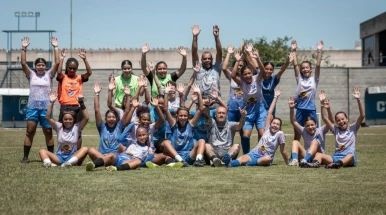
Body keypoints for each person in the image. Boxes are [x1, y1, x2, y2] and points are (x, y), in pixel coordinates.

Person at [224, 87, 289, 167]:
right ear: (270, 124)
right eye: (274, 123)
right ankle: (230, 163)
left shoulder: (280, 134)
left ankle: (252, 163)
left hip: (265, 158)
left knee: (268, 158)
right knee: (242, 158)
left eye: (277, 124)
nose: (275, 125)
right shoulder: (267, 129)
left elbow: (283, 150)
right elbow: (269, 113)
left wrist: (288, 163)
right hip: (254, 153)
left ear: (280, 127)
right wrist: (275, 97)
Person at [21, 36, 59, 163]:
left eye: (43, 65)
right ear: (35, 66)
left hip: (46, 107)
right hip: (32, 106)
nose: (41, 67)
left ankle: (52, 157)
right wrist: (24, 48)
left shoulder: (49, 75)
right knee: (30, 131)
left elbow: (57, 63)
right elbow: (23, 63)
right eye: (39, 65)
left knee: (48, 131)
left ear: (45, 66)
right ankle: (26, 157)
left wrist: (55, 47)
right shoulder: (31, 74)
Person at [306, 87, 365, 168]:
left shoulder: (353, 128)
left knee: (350, 155)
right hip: (336, 157)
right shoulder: (335, 130)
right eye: (338, 120)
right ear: (336, 122)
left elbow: (362, 116)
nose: (341, 121)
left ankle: (337, 164)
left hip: (348, 158)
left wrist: (358, 100)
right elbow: (324, 117)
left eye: (342, 119)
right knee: (318, 154)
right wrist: (322, 103)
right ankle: (314, 164)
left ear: (347, 119)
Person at [39, 90, 89, 167]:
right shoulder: (59, 127)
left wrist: (81, 103)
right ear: (62, 120)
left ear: (73, 120)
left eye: (70, 119)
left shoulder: (76, 127)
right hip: (59, 157)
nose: (67, 121)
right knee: (42, 151)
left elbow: (86, 118)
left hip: (72, 157)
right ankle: (48, 164)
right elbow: (48, 117)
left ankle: (68, 163)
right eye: (65, 119)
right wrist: (51, 103)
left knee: (85, 149)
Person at [162, 83, 206, 167]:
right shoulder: (173, 124)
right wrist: (166, 93)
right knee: (166, 142)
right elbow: (165, 109)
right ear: (177, 116)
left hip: (189, 156)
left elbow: (200, 109)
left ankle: (198, 161)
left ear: (188, 116)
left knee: (202, 141)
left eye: (185, 116)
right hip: (176, 156)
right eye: (181, 115)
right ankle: (181, 161)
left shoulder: (191, 124)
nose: (183, 117)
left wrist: (199, 94)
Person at [56, 48, 92, 150]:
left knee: (78, 132)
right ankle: (63, 152)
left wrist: (85, 59)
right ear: (67, 67)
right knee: (63, 131)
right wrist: (62, 58)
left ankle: (77, 154)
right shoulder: (63, 77)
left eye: (74, 69)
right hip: (65, 107)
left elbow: (89, 72)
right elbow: (58, 72)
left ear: (76, 68)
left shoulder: (79, 78)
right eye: (70, 68)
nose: (72, 70)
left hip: (77, 107)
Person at [231, 49, 265, 154]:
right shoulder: (241, 82)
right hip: (248, 113)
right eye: (245, 74)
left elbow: (262, 71)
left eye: (249, 73)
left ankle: (261, 153)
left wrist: (257, 58)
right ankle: (246, 155)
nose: (247, 76)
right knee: (245, 136)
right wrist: (237, 61)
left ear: (251, 73)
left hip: (260, 111)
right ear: (242, 75)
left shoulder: (257, 79)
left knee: (262, 134)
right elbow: (232, 76)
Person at [86, 82, 132, 162]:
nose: (111, 119)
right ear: (106, 119)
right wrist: (96, 94)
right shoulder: (102, 127)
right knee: (91, 150)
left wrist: (127, 95)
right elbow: (97, 110)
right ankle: (105, 161)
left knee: (117, 154)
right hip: (101, 155)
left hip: (115, 156)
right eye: (109, 117)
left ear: (117, 118)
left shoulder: (119, 126)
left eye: (113, 117)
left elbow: (127, 111)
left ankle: (102, 162)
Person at [288, 90, 334, 167]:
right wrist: (292, 109)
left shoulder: (321, 130)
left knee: (315, 142)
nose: (310, 127)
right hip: (306, 155)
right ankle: (295, 160)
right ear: (305, 126)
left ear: (316, 124)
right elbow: (293, 121)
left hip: (318, 156)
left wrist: (325, 107)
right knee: (295, 141)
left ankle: (304, 160)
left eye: (312, 125)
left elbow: (331, 122)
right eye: (308, 125)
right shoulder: (304, 130)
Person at [291, 40, 323, 141]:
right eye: (303, 68)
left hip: (311, 109)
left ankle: (315, 155)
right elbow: (295, 65)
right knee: (297, 134)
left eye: (307, 68)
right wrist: (294, 50)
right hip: (300, 109)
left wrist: (319, 51)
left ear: (310, 69)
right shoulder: (299, 78)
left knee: (315, 134)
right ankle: (294, 156)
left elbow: (318, 65)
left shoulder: (314, 79)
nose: (305, 69)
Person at [86, 126, 151, 171]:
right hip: (120, 157)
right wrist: (132, 124)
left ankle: (116, 168)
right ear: (136, 136)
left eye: (143, 135)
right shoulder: (131, 141)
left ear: (147, 135)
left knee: (138, 161)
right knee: (112, 155)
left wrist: (135, 157)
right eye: (139, 135)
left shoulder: (147, 148)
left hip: (129, 161)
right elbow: (121, 138)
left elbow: (143, 161)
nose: (142, 137)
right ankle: (93, 165)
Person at [191, 24, 222, 109]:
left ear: (212, 60)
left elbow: (219, 52)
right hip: (201, 103)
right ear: (201, 60)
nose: (207, 60)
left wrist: (216, 37)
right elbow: (194, 53)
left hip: (215, 103)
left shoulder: (216, 68)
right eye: (205, 59)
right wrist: (195, 37)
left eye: (209, 58)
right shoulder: (198, 68)